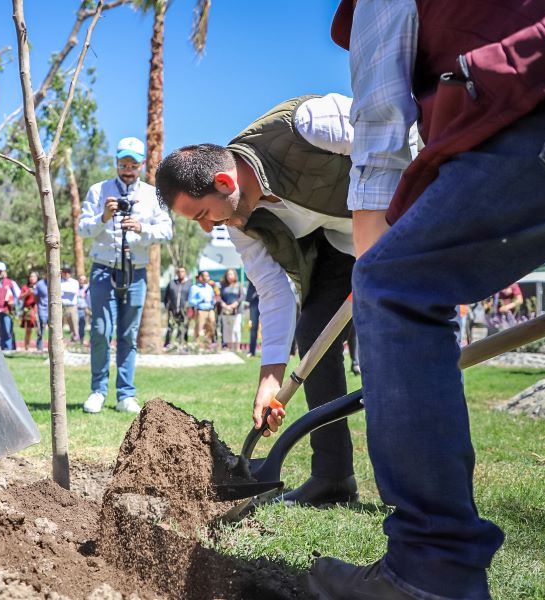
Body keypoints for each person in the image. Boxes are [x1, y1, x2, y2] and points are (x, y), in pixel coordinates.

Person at [304, 3, 545, 598]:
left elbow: (382, 119)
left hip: (533, 97)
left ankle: (431, 568)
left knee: (393, 286)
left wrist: (376, 273)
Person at [156, 93, 410, 504]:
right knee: (314, 333)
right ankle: (333, 477)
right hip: (339, 246)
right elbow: (274, 293)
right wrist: (269, 383)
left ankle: (410, 488)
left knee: (389, 339)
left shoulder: (306, 124)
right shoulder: (239, 222)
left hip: (397, 221)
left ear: (224, 183)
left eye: (202, 214)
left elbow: (396, 142)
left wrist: (397, 225)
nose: (206, 229)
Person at [79, 136, 173, 414]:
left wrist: (142, 227)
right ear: (116, 163)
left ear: (142, 165)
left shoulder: (152, 194)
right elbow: (82, 229)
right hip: (103, 270)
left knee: (129, 335)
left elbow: (167, 230)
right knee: (99, 331)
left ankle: (125, 395)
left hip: (136, 271)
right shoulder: (99, 191)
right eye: (123, 163)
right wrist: (103, 218)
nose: (128, 169)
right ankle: (97, 391)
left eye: (133, 164)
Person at [163, 266, 193, 348]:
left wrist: (190, 309)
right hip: (172, 309)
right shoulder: (172, 283)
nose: (181, 273)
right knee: (170, 327)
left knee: (183, 328)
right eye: (179, 272)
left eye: (182, 271)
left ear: (185, 273)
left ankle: (182, 343)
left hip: (184, 310)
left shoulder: (189, 284)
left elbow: (192, 298)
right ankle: (167, 344)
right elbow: (166, 297)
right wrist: (167, 306)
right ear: (177, 273)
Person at [187, 270, 216, 349]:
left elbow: (213, 297)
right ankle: (197, 345)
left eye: (208, 276)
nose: (208, 278)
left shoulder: (209, 287)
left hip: (210, 310)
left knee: (211, 327)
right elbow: (191, 301)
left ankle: (208, 345)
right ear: (200, 277)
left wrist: (214, 301)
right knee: (199, 328)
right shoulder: (194, 288)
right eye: (206, 276)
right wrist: (200, 300)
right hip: (200, 310)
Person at [218, 268, 244, 350]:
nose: (229, 276)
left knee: (236, 329)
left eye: (231, 274)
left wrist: (235, 303)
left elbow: (242, 296)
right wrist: (223, 304)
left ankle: (237, 347)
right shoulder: (222, 286)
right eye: (228, 274)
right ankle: (229, 347)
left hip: (236, 311)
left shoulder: (239, 285)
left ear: (235, 275)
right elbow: (219, 297)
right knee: (227, 329)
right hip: (226, 310)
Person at [19, 271, 40, 351]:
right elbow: (20, 297)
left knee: (38, 330)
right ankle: (27, 347)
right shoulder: (25, 287)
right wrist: (27, 293)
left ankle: (39, 347)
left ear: (37, 278)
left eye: (34, 276)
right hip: (28, 310)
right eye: (30, 276)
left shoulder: (40, 286)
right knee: (28, 330)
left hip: (37, 310)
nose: (32, 278)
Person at [60, 266, 81, 342]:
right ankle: (60, 340)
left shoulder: (74, 282)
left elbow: (74, 291)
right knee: (59, 324)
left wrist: (63, 290)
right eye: (64, 272)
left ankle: (75, 339)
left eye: (67, 272)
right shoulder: (59, 281)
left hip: (71, 306)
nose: (65, 274)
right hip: (61, 306)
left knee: (74, 324)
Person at [34, 272, 49, 351]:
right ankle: (39, 348)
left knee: (54, 330)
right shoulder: (40, 284)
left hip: (53, 310)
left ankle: (52, 348)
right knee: (41, 328)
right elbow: (36, 297)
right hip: (42, 309)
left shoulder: (56, 282)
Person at [245, 277, 260, 357]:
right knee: (253, 327)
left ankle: (268, 351)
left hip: (266, 298)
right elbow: (248, 276)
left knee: (268, 327)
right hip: (254, 301)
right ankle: (252, 351)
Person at [77, 274, 90, 345]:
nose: (82, 281)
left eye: (84, 280)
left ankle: (85, 340)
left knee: (84, 325)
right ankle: (78, 340)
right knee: (78, 326)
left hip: (85, 309)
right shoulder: (75, 287)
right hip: (76, 308)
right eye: (81, 279)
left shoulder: (87, 288)